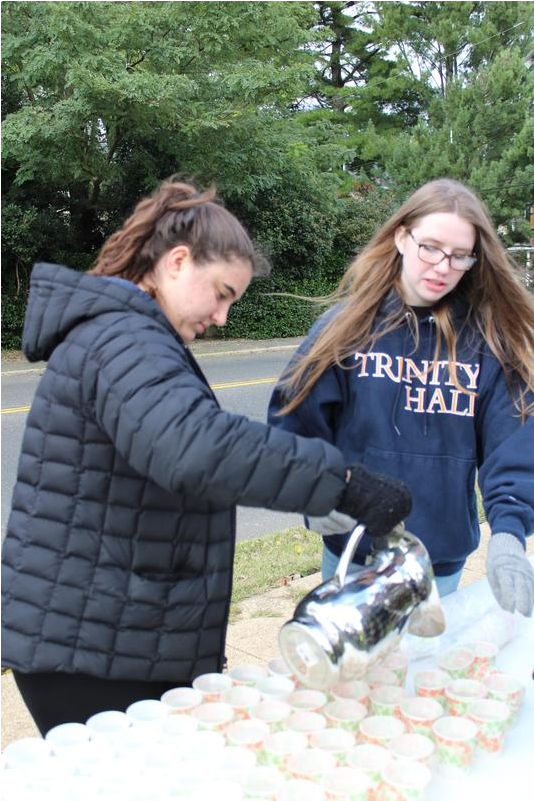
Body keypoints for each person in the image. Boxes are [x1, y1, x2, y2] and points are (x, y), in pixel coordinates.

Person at [1, 177, 411, 735]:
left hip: (108, 633)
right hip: (90, 651)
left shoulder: (130, 335)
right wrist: (339, 479)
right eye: (221, 293)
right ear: (176, 262)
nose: (222, 318)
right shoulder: (123, 338)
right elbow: (193, 446)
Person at [268, 178, 534, 615]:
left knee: (422, 679)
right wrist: (310, 493)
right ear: (401, 237)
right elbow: (294, 424)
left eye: (460, 256)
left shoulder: (488, 344)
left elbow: (515, 442)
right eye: (430, 246)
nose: (442, 266)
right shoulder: (345, 329)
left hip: (437, 564)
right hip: (353, 554)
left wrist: (509, 533)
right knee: (349, 678)